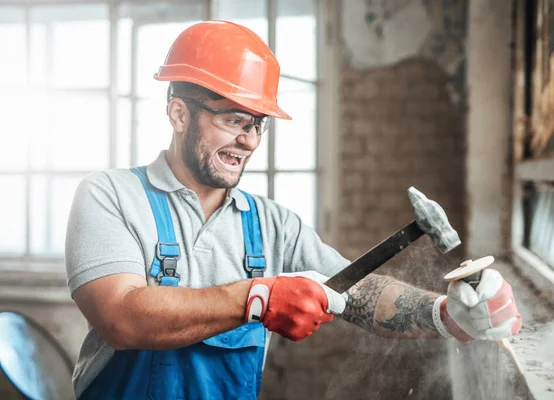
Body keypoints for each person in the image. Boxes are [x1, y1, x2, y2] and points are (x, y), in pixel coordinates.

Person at [66, 20, 522, 400]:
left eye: (257, 126)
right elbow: (121, 317)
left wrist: (445, 315)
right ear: (179, 114)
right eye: (232, 120)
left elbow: (358, 294)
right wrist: (258, 297)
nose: (248, 140)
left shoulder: (272, 225)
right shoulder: (110, 195)